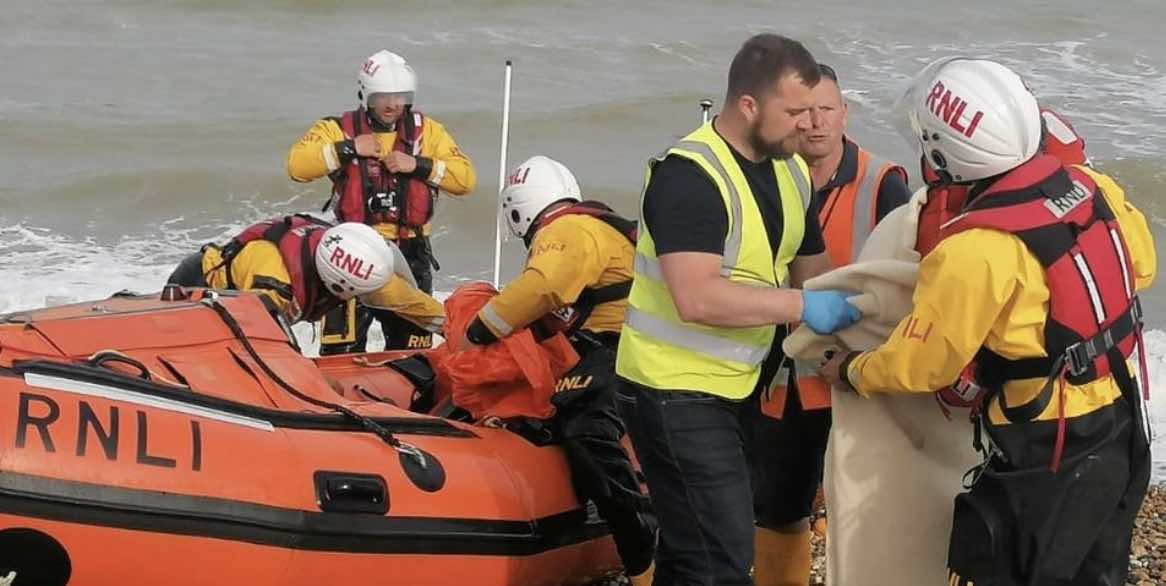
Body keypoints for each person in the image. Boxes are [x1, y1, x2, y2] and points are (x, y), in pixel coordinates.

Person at [819, 57, 1156, 586]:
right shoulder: (1092, 188)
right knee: (1098, 569)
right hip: (1123, 422)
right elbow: (1142, 265)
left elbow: (922, 365)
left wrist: (854, 370)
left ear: (940, 154)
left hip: (1048, 443)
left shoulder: (973, 251)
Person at [613, 34, 861, 585]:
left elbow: (811, 265)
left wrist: (866, 318)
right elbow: (695, 296)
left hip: (742, 384)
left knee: (692, 549)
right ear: (748, 106)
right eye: (793, 111)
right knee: (721, 554)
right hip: (671, 388)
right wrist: (803, 306)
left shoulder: (789, 169)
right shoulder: (690, 176)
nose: (806, 124)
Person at [749, 62, 911, 585]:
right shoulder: (765, 176)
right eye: (804, 111)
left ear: (845, 112)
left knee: (866, 508)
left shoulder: (884, 183)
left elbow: (909, 282)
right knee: (777, 506)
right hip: (784, 374)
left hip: (860, 376)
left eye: (827, 109)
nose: (816, 122)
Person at [459, 155, 656, 585]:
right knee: (558, 407)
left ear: (520, 211)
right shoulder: (593, 227)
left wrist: (480, 328)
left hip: (628, 343)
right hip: (631, 340)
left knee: (585, 427)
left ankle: (643, 555)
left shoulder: (565, 230)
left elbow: (543, 287)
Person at [287, 50, 475, 353]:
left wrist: (417, 165)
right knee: (341, 350)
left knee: (414, 350)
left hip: (410, 252)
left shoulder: (428, 132)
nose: (392, 105)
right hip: (350, 253)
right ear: (366, 95)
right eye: (382, 96)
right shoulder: (335, 129)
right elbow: (297, 166)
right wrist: (348, 148)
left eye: (400, 96)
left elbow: (465, 180)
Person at [167, 215, 444, 338]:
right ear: (338, 287)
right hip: (198, 284)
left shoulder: (362, 269)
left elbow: (418, 307)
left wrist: (467, 333)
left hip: (246, 301)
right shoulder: (276, 283)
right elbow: (263, 342)